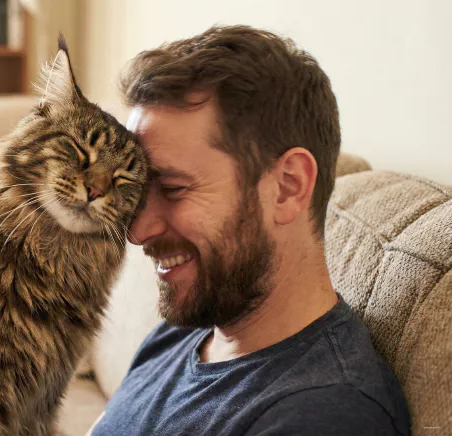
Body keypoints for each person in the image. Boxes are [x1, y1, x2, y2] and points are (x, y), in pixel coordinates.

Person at [88, 25, 411, 435]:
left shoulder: (324, 413)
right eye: (138, 190)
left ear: (287, 187)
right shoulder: (185, 328)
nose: (137, 232)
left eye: (172, 188)